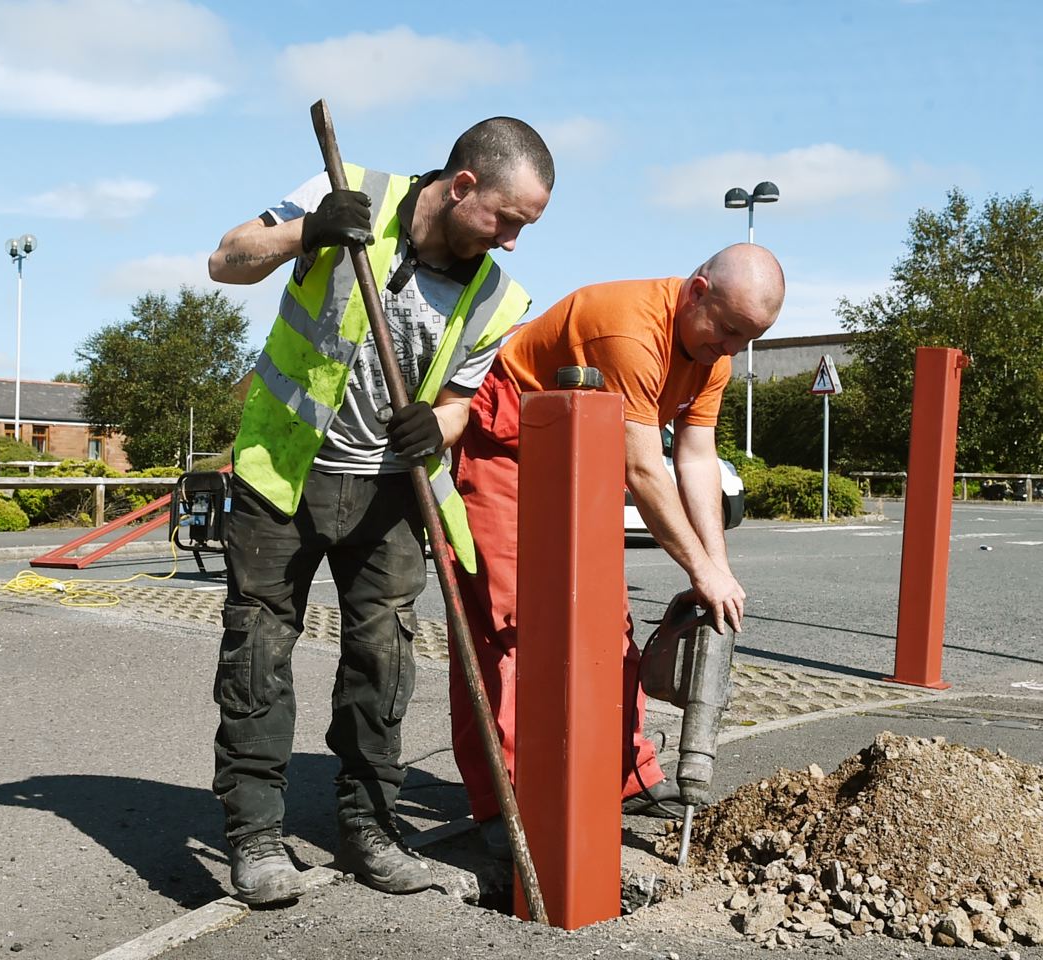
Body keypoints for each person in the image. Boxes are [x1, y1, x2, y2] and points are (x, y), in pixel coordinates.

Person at [205, 117, 554, 905]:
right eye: (504, 219)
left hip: (392, 489)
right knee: (258, 650)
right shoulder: (348, 190)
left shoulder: (498, 293)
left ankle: (370, 831)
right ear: (462, 185)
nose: (509, 242)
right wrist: (307, 231)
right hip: (281, 471)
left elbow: (463, 403)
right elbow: (224, 261)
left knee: (383, 661)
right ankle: (255, 837)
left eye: (524, 227)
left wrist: (439, 423)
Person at [448, 243, 785, 858]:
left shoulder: (715, 358)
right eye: (729, 330)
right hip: (507, 446)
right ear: (698, 291)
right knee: (509, 626)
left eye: (748, 339)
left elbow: (696, 457)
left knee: (607, 624)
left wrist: (719, 570)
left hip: (580, 455)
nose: (733, 349)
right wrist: (698, 568)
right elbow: (642, 466)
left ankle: (627, 774)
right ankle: (504, 796)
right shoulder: (630, 329)